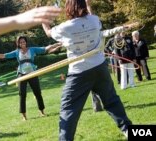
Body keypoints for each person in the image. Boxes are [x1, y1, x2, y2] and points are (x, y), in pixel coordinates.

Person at [42, 0, 139, 140]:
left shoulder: (65, 27)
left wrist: (43, 20)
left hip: (79, 72)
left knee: (68, 109)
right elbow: (91, 17)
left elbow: (48, 33)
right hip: (99, 67)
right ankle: (129, 131)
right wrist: (88, 5)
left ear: (69, 8)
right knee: (112, 101)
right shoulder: (94, 20)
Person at [0, 36, 62, 120]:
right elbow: (4, 55)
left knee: (37, 92)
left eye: (24, 41)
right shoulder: (16, 52)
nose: (22, 43)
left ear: (26, 42)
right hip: (21, 74)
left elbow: (45, 48)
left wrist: (56, 44)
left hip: (32, 73)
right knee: (22, 94)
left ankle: (42, 111)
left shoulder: (32, 49)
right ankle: (24, 116)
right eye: (20, 42)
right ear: (18, 44)